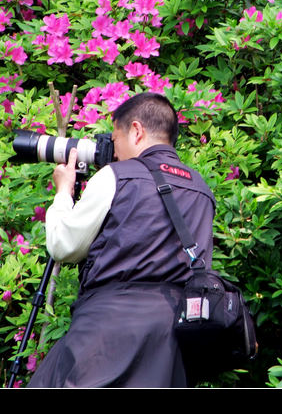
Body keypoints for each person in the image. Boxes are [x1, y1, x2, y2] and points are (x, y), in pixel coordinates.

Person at [28, 93, 215, 388]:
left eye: (115, 139)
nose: (113, 152)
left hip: (107, 330)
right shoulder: (201, 188)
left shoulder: (116, 176)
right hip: (171, 338)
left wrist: (64, 191)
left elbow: (63, 246)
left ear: (136, 131)